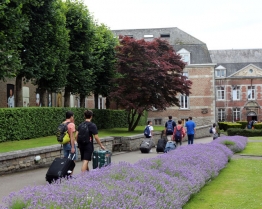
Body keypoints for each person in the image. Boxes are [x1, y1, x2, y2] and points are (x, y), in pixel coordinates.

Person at [62, 111, 77, 176]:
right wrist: (73, 147)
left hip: (65, 144)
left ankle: (65, 174)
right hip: (70, 144)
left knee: (66, 160)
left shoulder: (63, 123)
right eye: (73, 116)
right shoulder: (71, 124)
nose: (73, 118)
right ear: (71, 117)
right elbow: (72, 136)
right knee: (72, 161)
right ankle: (70, 175)